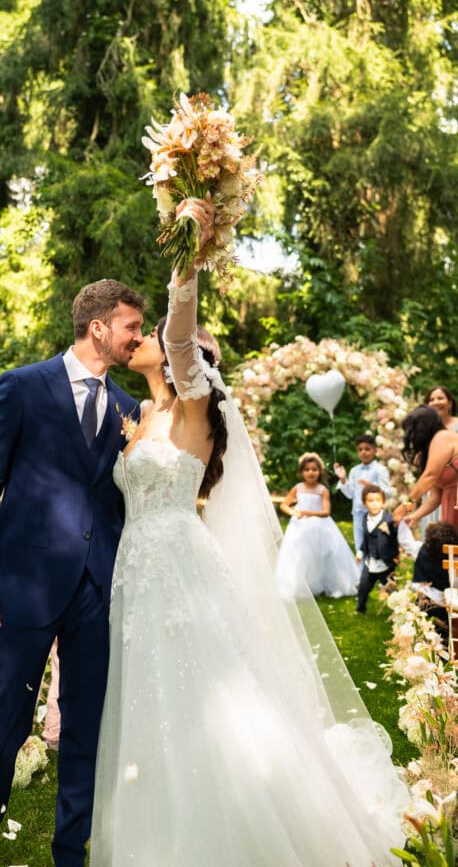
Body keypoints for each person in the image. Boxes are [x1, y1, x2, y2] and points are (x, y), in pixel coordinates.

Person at [90, 198, 407, 867]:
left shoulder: (193, 407)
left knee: (199, 691)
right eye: (136, 331)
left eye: (153, 334)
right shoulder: (138, 415)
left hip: (179, 567)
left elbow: (180, 332)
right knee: (150, 699)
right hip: (135, 572)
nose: (141, 338)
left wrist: (188, 250)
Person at [0, 279, 144, 867]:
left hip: (96, 590)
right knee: (2, 727)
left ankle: (71, 854)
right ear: (98, 328)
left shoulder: (131, 411)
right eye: (131, 327)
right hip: (24, 589)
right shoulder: (22, 387)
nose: (138, 339)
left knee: (85, 733)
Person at [275, 452, 359, 600]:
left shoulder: (322, 490)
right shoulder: (298, 488)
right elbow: (284, 504)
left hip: (320, 526)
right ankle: (300, 585)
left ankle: (326, 584)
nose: (311, 472)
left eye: (314, 469)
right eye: (307, 469)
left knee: (323, 555)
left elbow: (326, 512)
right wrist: (293, 511)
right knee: (300, 555)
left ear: (320, 471)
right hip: (299, 526)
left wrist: (306, 512)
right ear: (301, 472)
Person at [394, 404, 458, 531]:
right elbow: (435, 497)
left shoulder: (443, 436)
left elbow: (429, 476)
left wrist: (406, 506)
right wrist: (413, 516)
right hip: (449, 506)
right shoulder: (426, 455)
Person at [334, 435, 391, 553]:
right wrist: (343, 480)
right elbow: (350, 495)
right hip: (358, 514)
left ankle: (376, 570)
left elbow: (388, 493)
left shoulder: (380, 470)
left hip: (374, 514)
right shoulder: (354, 471)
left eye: (367, 449)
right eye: (360, 449)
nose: (363, 452)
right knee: (360, 547)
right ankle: (361, 571)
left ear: (375, 450)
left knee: (376, 546)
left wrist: (371, 487)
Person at [355, 484, 399, 614]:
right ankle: (360, 608)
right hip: (370, 562)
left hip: (386, 562)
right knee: (363, 586)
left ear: (383, 502)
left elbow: (395, 538)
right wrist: (360, 551)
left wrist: (397, 554)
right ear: (364, 503)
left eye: (378, 500)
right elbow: (366, 538)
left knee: (391, 589)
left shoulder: (389, 520)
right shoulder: (365, 518)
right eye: (370, 501)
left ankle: (399, 610)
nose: (374, 504)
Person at [420, 386, 458, 529]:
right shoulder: (425, 432)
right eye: (432, 399)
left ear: (449, 402)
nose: (436, 402)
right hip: (434, 490)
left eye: (440, 398)